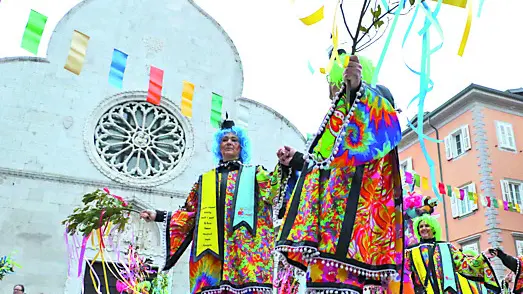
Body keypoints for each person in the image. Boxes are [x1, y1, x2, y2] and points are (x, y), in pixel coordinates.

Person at [274, 48, 404, 292]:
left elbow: (372, 138)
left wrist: (357, 90)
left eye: (336, 85)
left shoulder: (375, 109)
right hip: (323, 229)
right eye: (335, 86)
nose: (333, 91)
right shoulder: (334, 125)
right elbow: (323, 167)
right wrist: (297, 160)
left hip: (349, 230)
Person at [140, 116, 287, 294]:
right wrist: (158, 215)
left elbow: (275, 191)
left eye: (234, 140)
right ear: (219, 146)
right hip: (211, 257)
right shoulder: (205, 180)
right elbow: (189, 213)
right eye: (224, 140)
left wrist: (284, 166)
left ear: (241, 146)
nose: (229, 143)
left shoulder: (256, 173)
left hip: (247, 256)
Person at [405, 214, 501, 293]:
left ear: (433, 228)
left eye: (427, 225)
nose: (424, 228)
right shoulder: (411, 251)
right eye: (421, 226)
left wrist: (483, 256)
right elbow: (404, 272)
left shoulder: (446, 247)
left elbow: (464, 263)